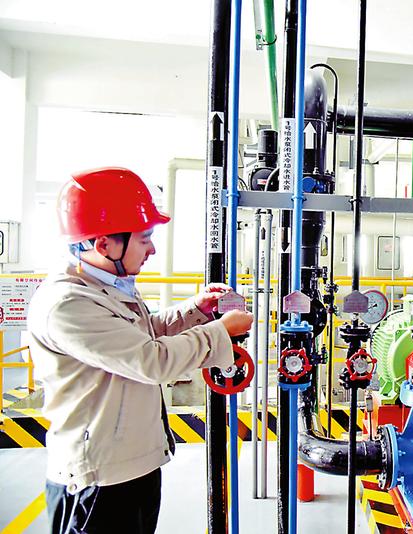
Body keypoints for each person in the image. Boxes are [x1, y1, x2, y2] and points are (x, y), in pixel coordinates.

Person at [28, 167, 253, 534]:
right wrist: (220, 332)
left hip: (133, 467)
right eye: (144, 238)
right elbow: (151, 360)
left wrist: (195, 310)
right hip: (98, 481)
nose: (152, 249)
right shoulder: (68, 303)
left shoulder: (107, 286)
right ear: (104, 245)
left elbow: (141, 335)